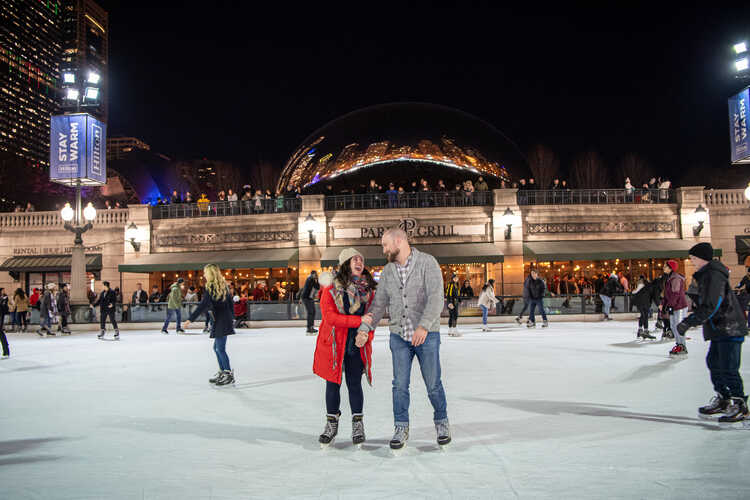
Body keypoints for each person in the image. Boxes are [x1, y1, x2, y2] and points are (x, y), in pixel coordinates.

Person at [357, 229, 450, 450]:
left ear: (399, 240)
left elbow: (437, 298)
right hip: (399, 337)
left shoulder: (428, 262)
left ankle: (442, 422)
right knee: (399, 385)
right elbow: (378, 305)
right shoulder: (388, 271)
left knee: (433, 384)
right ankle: (401, 427)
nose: (384, 249)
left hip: (426, 336)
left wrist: (423, 326)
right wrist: (364, 328)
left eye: (385, 245)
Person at [675, 242, 749, 423]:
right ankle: (724, 398)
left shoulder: (713, 275)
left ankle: (740, 404)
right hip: (719, 328)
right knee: (714, 363)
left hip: (729, 327)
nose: (691, 261)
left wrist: (689, 322)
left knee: (728, 367)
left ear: (702, 258)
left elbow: (713, 304)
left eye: (693, 257)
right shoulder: (706, 275)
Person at [313, 249, 376, 447]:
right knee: (332, 384)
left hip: (357, 343)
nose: (359, 261)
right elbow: (329, 317)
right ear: (345, 263)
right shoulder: (331, 287)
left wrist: (365, 334)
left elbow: (372, 318)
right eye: (355, 258)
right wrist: (358, 321)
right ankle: (331, 423)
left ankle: (358, 423)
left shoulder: (369, 290)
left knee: (354, 384)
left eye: (361, 259)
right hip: (334, 342)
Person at [184, 264, 236, 386]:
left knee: (220, 349)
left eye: (205, 273)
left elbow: (202, 305)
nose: (204, 275)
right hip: (221, 319)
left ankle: (228, 374)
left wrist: (190, 320)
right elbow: (230, 304)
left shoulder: (212, 287)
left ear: (211, 274)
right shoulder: (223, 286)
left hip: (221, 320)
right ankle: (223, 371)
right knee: (216, 348)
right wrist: (231, 318)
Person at [660, 260, 689, 356]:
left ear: (670, 268)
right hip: (673, 306)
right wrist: (664, 305)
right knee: (673, 326)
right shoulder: (669, 278)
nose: (663, 268)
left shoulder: (675, 278)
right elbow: (667, 295)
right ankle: (679, 345)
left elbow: (675, 294)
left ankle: (682, 346)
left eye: (665, 266)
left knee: (678, 326)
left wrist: (670, 305)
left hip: (679, 306)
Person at [301, 271, 320, 335]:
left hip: (310, 298)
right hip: (306, 298)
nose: (315, 276)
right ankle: (309, 328)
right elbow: (309, 286)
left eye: (316, 275)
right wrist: (314, 279)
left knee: (313, 311)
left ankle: (311, 326)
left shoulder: (313, 280)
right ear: (311, 274)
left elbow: (317, 287)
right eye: (315, 275)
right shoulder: (309, 279)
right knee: (310, 312)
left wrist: (317, 280)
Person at [0, 288, 9, 359]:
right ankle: (6, 351)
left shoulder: (4, 298)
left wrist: (4, 302)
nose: (4, 292)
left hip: (0, 317)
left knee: (1, 334)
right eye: (3, 290)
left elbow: (5, 309)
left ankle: (6, 351)